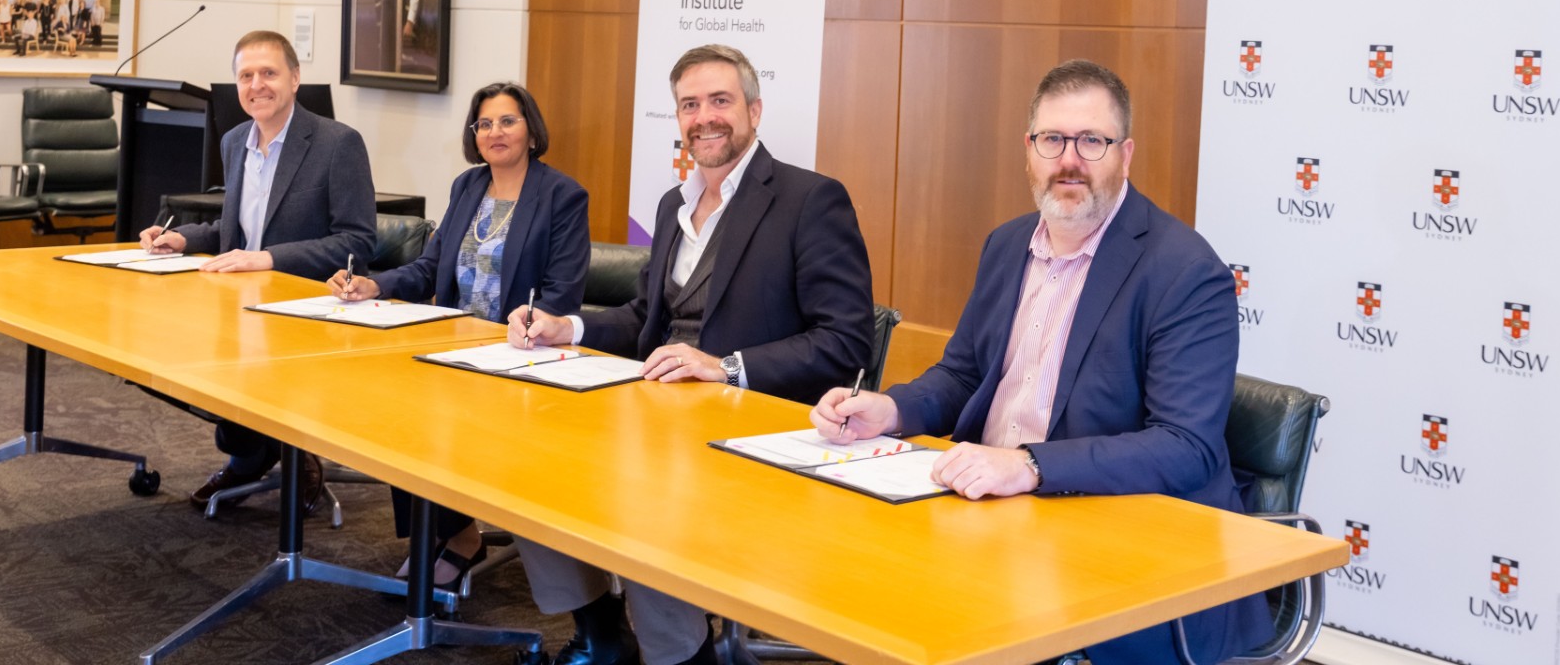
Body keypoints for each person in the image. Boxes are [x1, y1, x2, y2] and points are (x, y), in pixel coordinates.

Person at [810, 60, 1271, 665]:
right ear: (1030, 151)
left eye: (1092, 141)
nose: (1069, 160)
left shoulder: (1185, 272)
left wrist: (1027, 466)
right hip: (994, 526)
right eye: (1052, 140)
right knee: (844, 587)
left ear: (1125, 154)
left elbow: (1186, 446)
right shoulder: (1007, 245)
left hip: (1124, 557)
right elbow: (965, 375)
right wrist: (891, 409)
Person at [508, 44, 874, 665]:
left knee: (650, 510)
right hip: (652, 416)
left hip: (746, 428)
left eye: (720, 101)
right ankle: (599, 634)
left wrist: (725, 367)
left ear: (755, 111)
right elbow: (645, 318)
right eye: (689, 105)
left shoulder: (810, 200)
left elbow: (845, 342)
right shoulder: (673, 206)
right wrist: (563, 328)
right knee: (523, 471)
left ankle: (681, 655)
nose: (704, 117)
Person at [328, 81, 590, 590]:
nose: (495, 132)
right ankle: (448, 527)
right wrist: (374, 283)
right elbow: (430, 268)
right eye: (484, 124)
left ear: (531, 130)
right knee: (392, 407)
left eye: (507, 121)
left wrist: (528, 328)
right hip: (454, 343)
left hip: (519, 356)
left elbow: (562, 293)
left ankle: (459, 536)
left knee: (432, 413)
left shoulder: (561, 195)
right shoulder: (468, 187)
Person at [138, 30, 377, 514]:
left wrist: (268, 258)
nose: (257, 85)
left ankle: (289, 449)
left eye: (268, 73)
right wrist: (183, 238)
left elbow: (357, 241)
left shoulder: (337, 144)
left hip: (306, 311)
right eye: (245, 76)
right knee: (157, 361)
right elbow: (239, 229)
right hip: (238, 305)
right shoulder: (234, 142)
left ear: (295, 78)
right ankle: (253, 451)